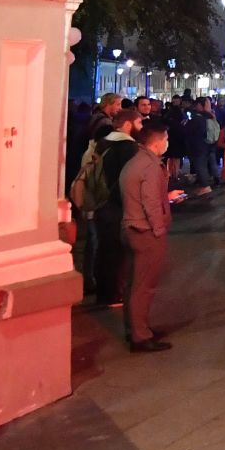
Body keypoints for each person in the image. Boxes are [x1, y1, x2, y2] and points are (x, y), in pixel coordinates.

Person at [119, 117, 179, 353]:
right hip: (144, 230)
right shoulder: (151, 166)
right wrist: (159, 229)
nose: (167, 143)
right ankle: (140, 336)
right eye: (165, 139)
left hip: (132, 226)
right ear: (158, 142)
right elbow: (150, 201)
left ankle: (136, 327)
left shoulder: (137, 161)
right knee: (144, 286)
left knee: (134, 283)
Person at [86, 106, 145, 305]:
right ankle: (112, 294)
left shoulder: (103, 142)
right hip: (117, 204)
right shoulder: (128, 147)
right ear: (128, 124)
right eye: (139, 122)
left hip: (100, 202)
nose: (141, 126)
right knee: (116, 251)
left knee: (104, 249)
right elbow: (129, 179)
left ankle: (103, 292)